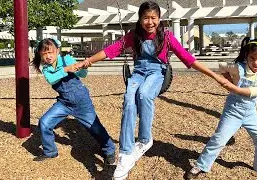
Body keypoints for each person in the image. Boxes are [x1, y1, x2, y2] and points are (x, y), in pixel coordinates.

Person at [76, 1, 228, 179]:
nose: (150, 22)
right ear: (140, 19)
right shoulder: (134, 35)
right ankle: (125, 153)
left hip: (157, 73)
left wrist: (215, 76)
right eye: (145, 18)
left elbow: (189, 59)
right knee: (129, 99)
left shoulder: (167, 37)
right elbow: (111, 50)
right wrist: (87, 62)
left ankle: (145, 139)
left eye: (153, 18)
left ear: (159, 18)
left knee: (144, 94)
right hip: (139, 72)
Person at [186, 37, 257, 180]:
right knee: (219, 139)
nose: (256, 62)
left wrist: (234, 87)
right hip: (232, 111)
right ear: (246, 56)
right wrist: (227, 78)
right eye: (252, 58)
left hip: (250, 113)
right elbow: (222, 66)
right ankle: (201, 166)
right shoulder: (238, 67)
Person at [31, 38, 116, 165]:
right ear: (40, 55)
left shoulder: (67, 59)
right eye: (45, 53)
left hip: (81, 101)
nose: (48, 56)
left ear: (57, 51)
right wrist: (66, 70)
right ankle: (50, 151)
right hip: (64, 103)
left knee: (95, 127)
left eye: (51, 52)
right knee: (44, 122)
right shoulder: (47, 69)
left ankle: (109, 150)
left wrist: (84, 67)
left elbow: (82, 74)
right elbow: (52, 80)